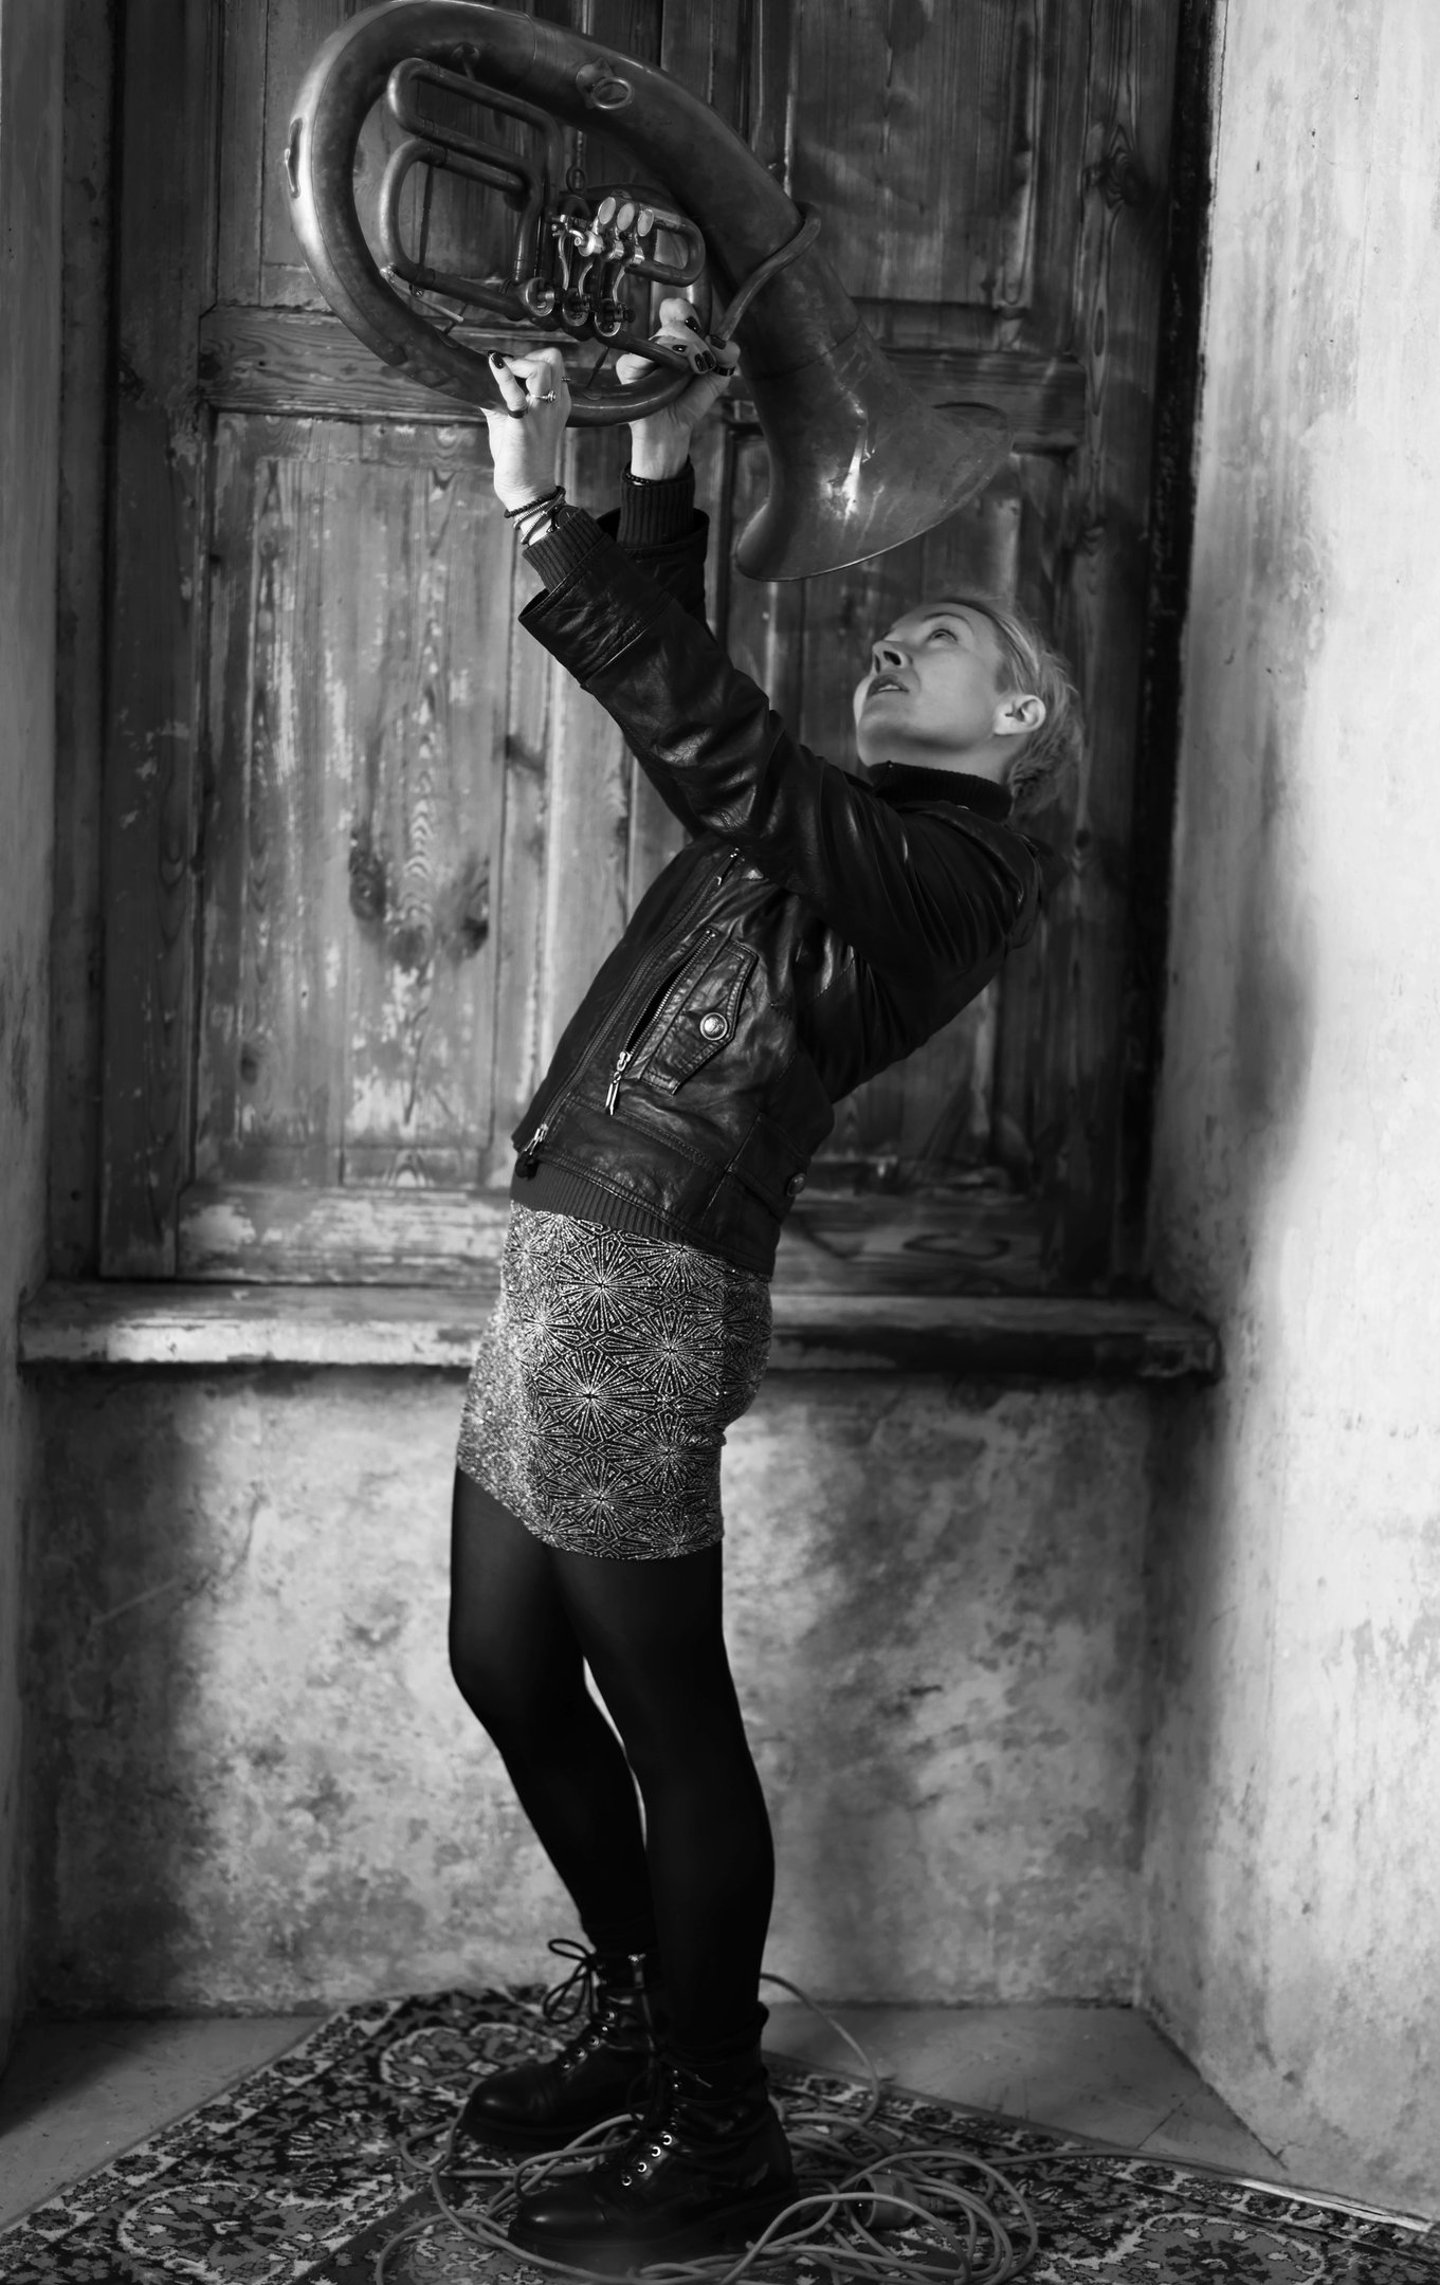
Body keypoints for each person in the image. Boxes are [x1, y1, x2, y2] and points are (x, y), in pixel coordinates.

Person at [447, 302, 1079, 2273]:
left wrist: (547, 524)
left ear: (1019, 721)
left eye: (940, 641)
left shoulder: (957, 874)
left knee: (671, 1719)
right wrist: (640, 444)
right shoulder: (837, 824)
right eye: (891, 634)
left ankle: (716, 2128)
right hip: (577, 1239)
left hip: (647, 1272)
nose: (892, 642)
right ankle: (643, 2012)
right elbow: (715, 734)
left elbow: (721, 750)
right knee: (501, 1661)